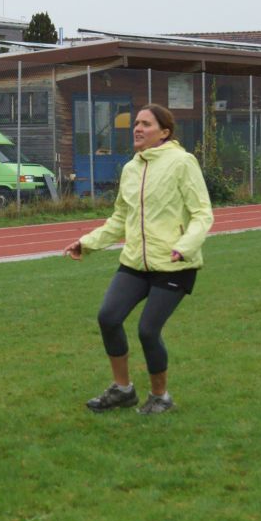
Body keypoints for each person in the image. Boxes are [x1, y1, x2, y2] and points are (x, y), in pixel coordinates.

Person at [63, 104, 213, 415]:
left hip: (174, 264)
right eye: (136, 123)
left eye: (146, 124)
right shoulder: (131, 168)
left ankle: (160, 397)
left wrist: (184, 246)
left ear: (164, 132)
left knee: (148, 330)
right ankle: (123, 390)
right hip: (135, 262)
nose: (137, 128)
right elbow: (120, 218)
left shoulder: (182, 162)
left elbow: (202, 214)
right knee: (108, 317)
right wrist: (87, 243)